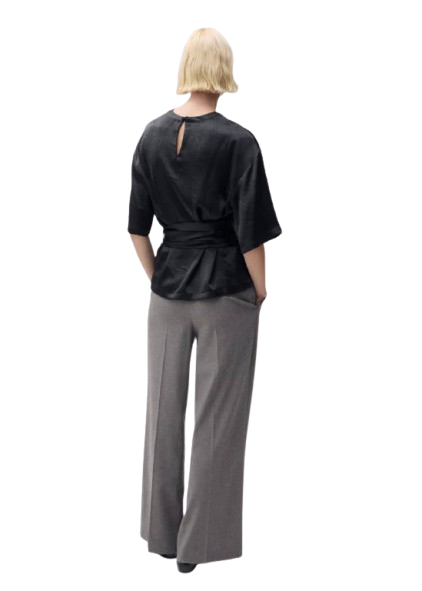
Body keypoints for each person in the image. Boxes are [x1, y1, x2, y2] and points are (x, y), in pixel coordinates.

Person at [128, 27, 283, 575]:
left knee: (162, 414)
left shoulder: (150, 134)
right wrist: (260, 288)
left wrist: (158, 278)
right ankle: (200, 548)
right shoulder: (239, 141)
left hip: (168, 292)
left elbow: (137, 229)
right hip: (225, 291)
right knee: (218, 419)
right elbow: (251, 232)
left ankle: (160, 536)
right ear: (225, 70)